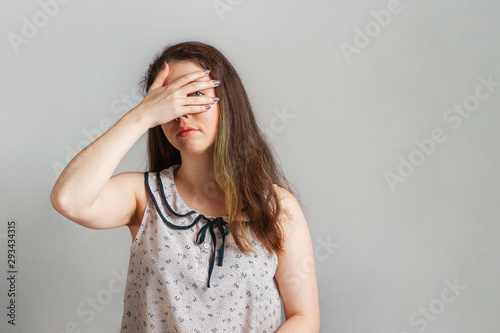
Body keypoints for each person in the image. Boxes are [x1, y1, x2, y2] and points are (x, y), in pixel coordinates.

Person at [50, 41, 320, 332]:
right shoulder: (142, 196)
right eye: (169, 101)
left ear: (227, 101)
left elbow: (303, 317)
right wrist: (142, 115)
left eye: (195, 94)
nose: (181, 112)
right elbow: (69, 199)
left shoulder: (275, 205)